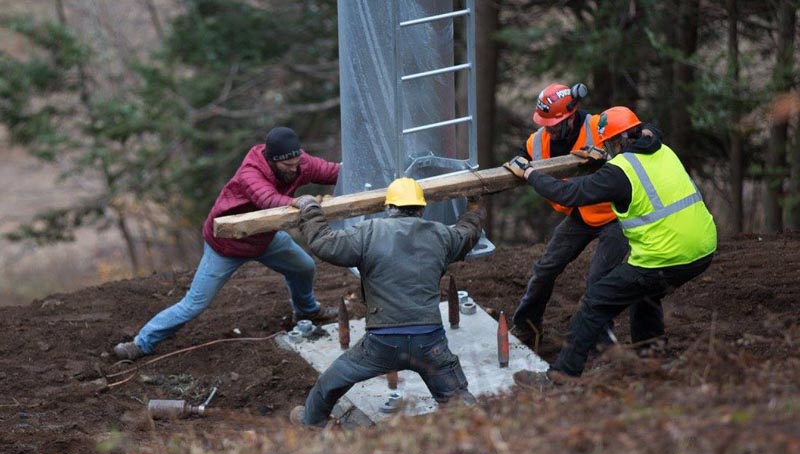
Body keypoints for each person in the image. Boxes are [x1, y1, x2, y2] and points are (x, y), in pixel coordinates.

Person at [505, 106, 717, 381]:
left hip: (666, 257)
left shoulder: (621, 171)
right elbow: (651, 131)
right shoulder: (662, 148)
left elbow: (569, 193)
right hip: (703, 248)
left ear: (618, 142)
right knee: (646, 294)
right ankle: (653, 360)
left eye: (609, 145)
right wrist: (603, 157)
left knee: (594, 303)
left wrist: (530, 174)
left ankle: (560, 377)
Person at [113, 127, 341, 360]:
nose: (294, 169)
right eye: (287, 165)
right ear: (272, 161)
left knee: (303, 267)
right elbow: (268, 199)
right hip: (227, 245)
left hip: (264, 237)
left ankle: (306, 312)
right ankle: (141, 343)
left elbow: (333, 171)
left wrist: (359, 170)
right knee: (194, 304)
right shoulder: (251, 172)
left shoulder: (299, 163)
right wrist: (300, 201)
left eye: (296, 163)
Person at [288, 178, 484, 427]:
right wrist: (474, 207)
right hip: (429, 342)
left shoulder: (368, 233)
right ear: (421, 208)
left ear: (389, 207)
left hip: (382, 342)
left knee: (331, 382)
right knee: (459, 402)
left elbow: (325, 244)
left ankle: (311, 423)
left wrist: (310, 209)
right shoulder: (441, 234)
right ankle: (480, 434)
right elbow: (468, 234)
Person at [509, 83, 629, 349]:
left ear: (571, 116)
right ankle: (527, 327)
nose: (548, 130)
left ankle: (603, 346)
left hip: (615, 215)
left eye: (553, 125)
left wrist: (606, 157)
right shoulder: (537, 141)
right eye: (545, 124)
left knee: (599, 281)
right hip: (581, 214)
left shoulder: (599, 127)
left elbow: (633, 148)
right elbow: (520, 158)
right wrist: (516, 165)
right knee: (545, 269)